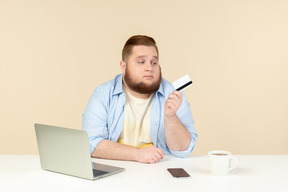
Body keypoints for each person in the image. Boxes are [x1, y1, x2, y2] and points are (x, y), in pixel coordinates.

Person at [82, 35, 197, 164]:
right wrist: (137, 154)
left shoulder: (172, 94)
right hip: (116, 170)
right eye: (141, 62)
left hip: (159, 170)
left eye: (154, 62)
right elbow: (92, 143)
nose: (149, 68)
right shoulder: (103, 94)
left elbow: (183, 150)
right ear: (124, 67)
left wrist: (171, 116)